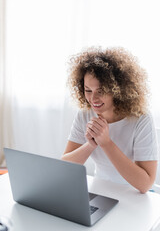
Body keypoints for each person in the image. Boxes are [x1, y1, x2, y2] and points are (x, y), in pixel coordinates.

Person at [61, 47, 158, 193]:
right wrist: (90, 144)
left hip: (134, 194)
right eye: (88, 90)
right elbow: (64, 168)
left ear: (118, 90)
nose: (93, 99)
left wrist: (106, 143)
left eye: (101, 91)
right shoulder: (85, 114)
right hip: (100, 189)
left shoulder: (141, 118)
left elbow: (145, 185)